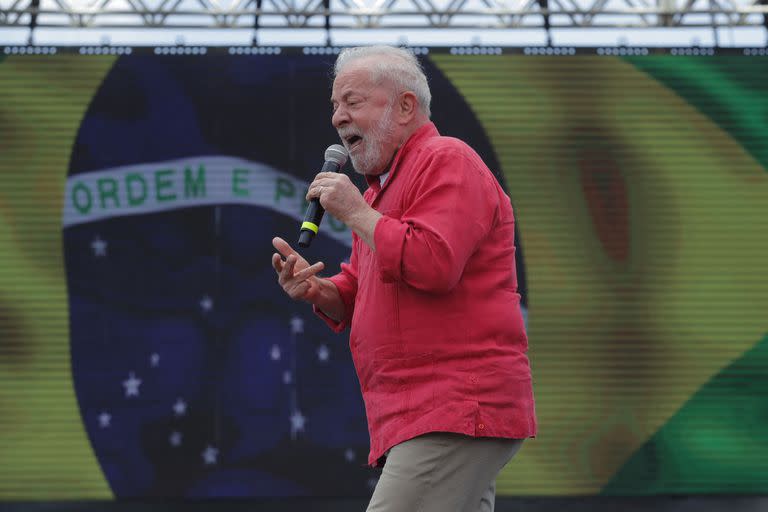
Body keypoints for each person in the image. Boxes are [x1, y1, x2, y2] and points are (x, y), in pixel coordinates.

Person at [271, 45, 536, 512]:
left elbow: (433, 263)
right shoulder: (381, 191)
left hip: (452, 406)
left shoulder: (447, 159)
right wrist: (319, 290)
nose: (337, 117)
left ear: (405, 105)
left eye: (351, 102)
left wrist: (356, 212)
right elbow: (361, 290)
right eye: (334, 106)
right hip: (420, 414)